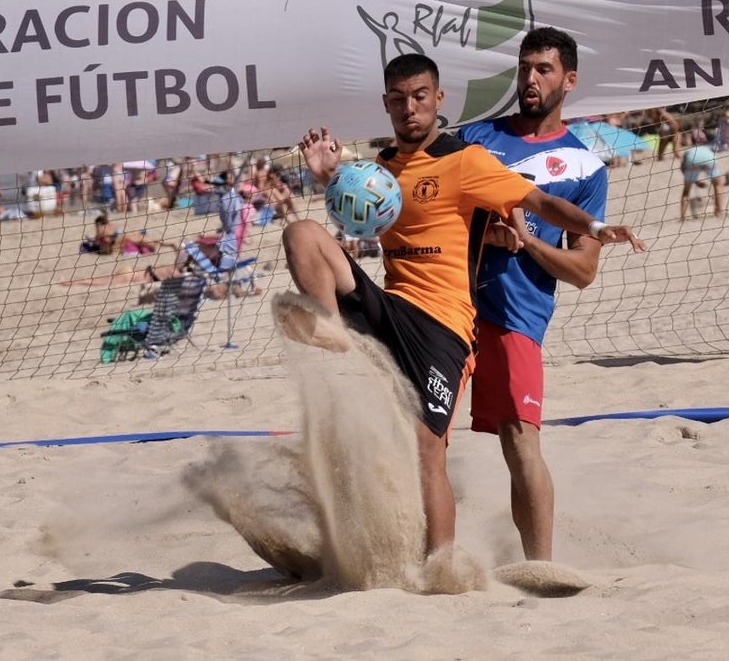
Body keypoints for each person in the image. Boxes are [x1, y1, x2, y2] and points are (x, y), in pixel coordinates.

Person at [277, 52, 646, 558]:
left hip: (444, 325)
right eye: (398, 99)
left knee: (430, 448)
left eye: (419, 97)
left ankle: (443, 566)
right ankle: (330, 330)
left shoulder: (466, 160)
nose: (410, 108)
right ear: (385, 104)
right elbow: (366, 212)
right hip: (393, 305)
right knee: (301, 233)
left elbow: (540, 203)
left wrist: (597, 228)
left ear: (438, 99)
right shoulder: (380, 168)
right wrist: (330, 177)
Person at [452, 27, 609, 561]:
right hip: (451, 304)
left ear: (570, 80)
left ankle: (540, 568)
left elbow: (583, 271)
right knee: (423, 435)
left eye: (543, 69)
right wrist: (483, 234)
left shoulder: (585, 166)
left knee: (520, 442)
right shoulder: (474, 138)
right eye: (524, 68)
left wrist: (526, 241)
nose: (530, 79)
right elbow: (438, 213)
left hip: (517, 315)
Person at [677, 143, 727, 220]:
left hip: (692, 160)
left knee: (686, 191)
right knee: (718, 185)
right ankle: (719, 211)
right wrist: (696, 182)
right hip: (709, 159)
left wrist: (694, 181)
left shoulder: (688, 151)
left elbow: (683, 168)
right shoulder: (708, 147)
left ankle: (683, 216)